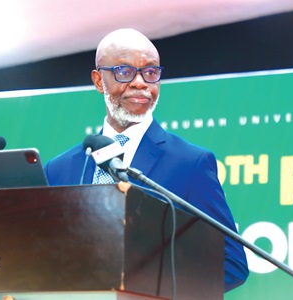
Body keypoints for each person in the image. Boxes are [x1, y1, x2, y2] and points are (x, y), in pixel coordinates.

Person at [44, 28, 249, 292]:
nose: (140, 82)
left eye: (150, 72)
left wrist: (145, 290)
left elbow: (231, 263)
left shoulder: (190, 163)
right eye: (125, 72)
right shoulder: (60, 169)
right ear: (98, 80)